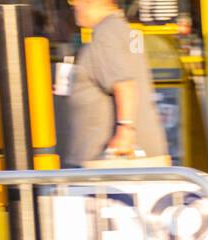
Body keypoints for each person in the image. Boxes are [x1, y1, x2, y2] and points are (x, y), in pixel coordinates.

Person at [65, 0, 169, 166]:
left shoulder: (106, 34)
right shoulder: (119, 29)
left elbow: (125, 84)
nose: (73, 6)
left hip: (112, 161)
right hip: (129, 158)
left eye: (76, 2)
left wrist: (125, 131)